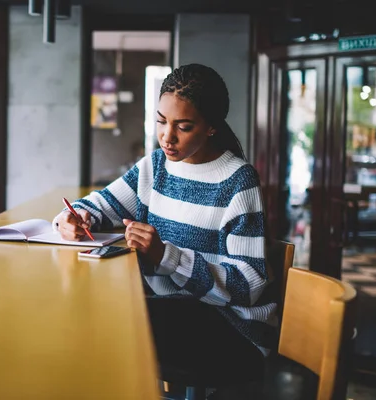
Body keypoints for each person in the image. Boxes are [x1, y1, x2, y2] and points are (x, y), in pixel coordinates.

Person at [54, 64, 276, 392]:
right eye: (161, 121)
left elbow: (249, 284)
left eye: (183, 127)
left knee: (106, 324)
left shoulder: (237, 180)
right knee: (95, 311)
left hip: (232, 331)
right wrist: (73, 218)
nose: (167, 137)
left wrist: (166, 255)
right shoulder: (157, 166)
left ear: (212, 127)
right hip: (174, 315)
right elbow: (99, 205)